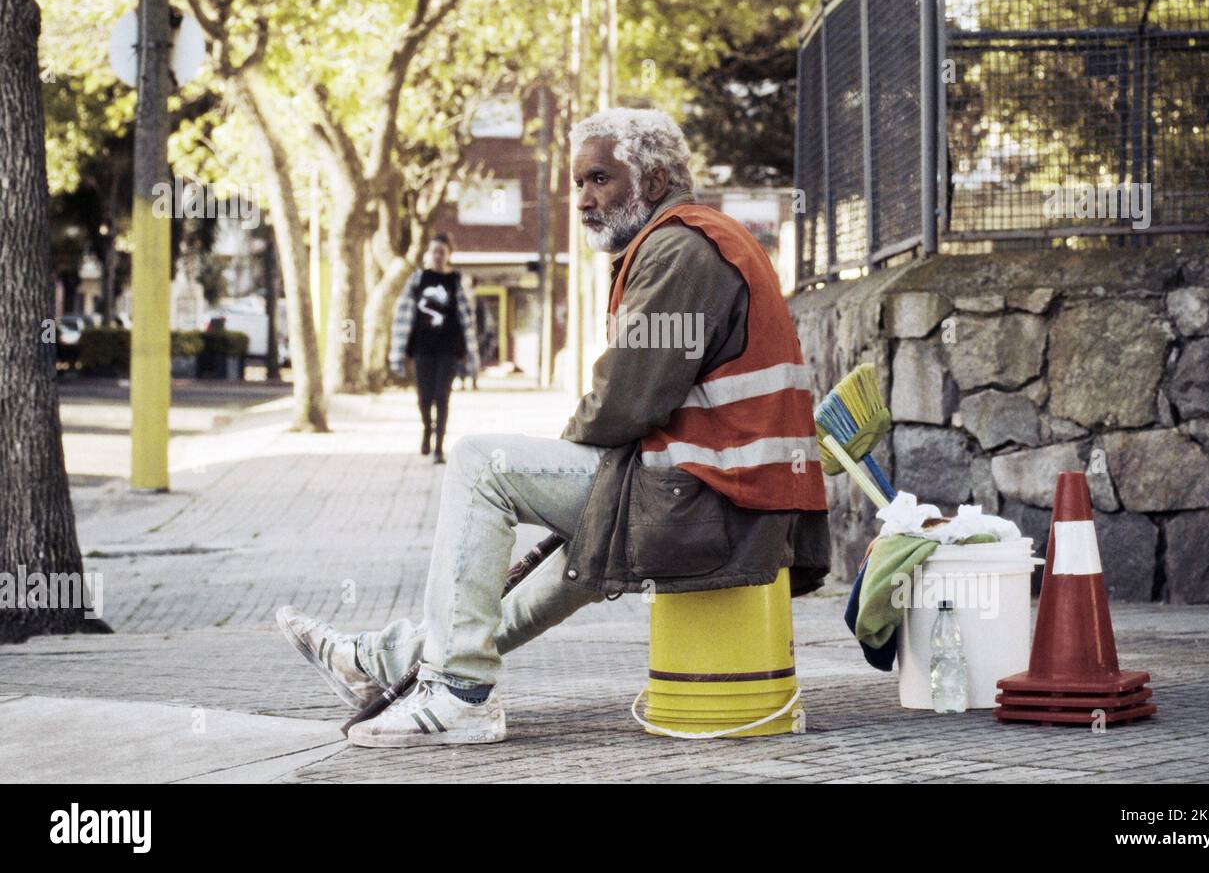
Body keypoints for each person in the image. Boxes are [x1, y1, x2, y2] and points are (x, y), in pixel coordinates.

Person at [278, 108, 830, 747]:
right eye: (578, 184)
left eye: (599, 179)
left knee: (482, 465)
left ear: (651, 179)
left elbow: (625, 398)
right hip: (730, 494)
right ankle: (396, 658)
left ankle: (458, 689)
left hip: (717, 497)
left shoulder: (680, 248)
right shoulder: (701, 238)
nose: (584, 199)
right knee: (586, 548)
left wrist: (557, 464)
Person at [388, 233, 479, 463]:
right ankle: (427, 428)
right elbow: (403, 315)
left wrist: (471, 353)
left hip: (448, 349)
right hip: (422, 348)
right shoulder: (418, 280)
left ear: (449, 255)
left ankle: (439, 446)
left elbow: (467, 319)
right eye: (434, 251)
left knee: (442, 396)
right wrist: (397, 353)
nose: (438, 256)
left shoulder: (457, 281)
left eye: (442, 251)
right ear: (428, 254)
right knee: (424, 397)